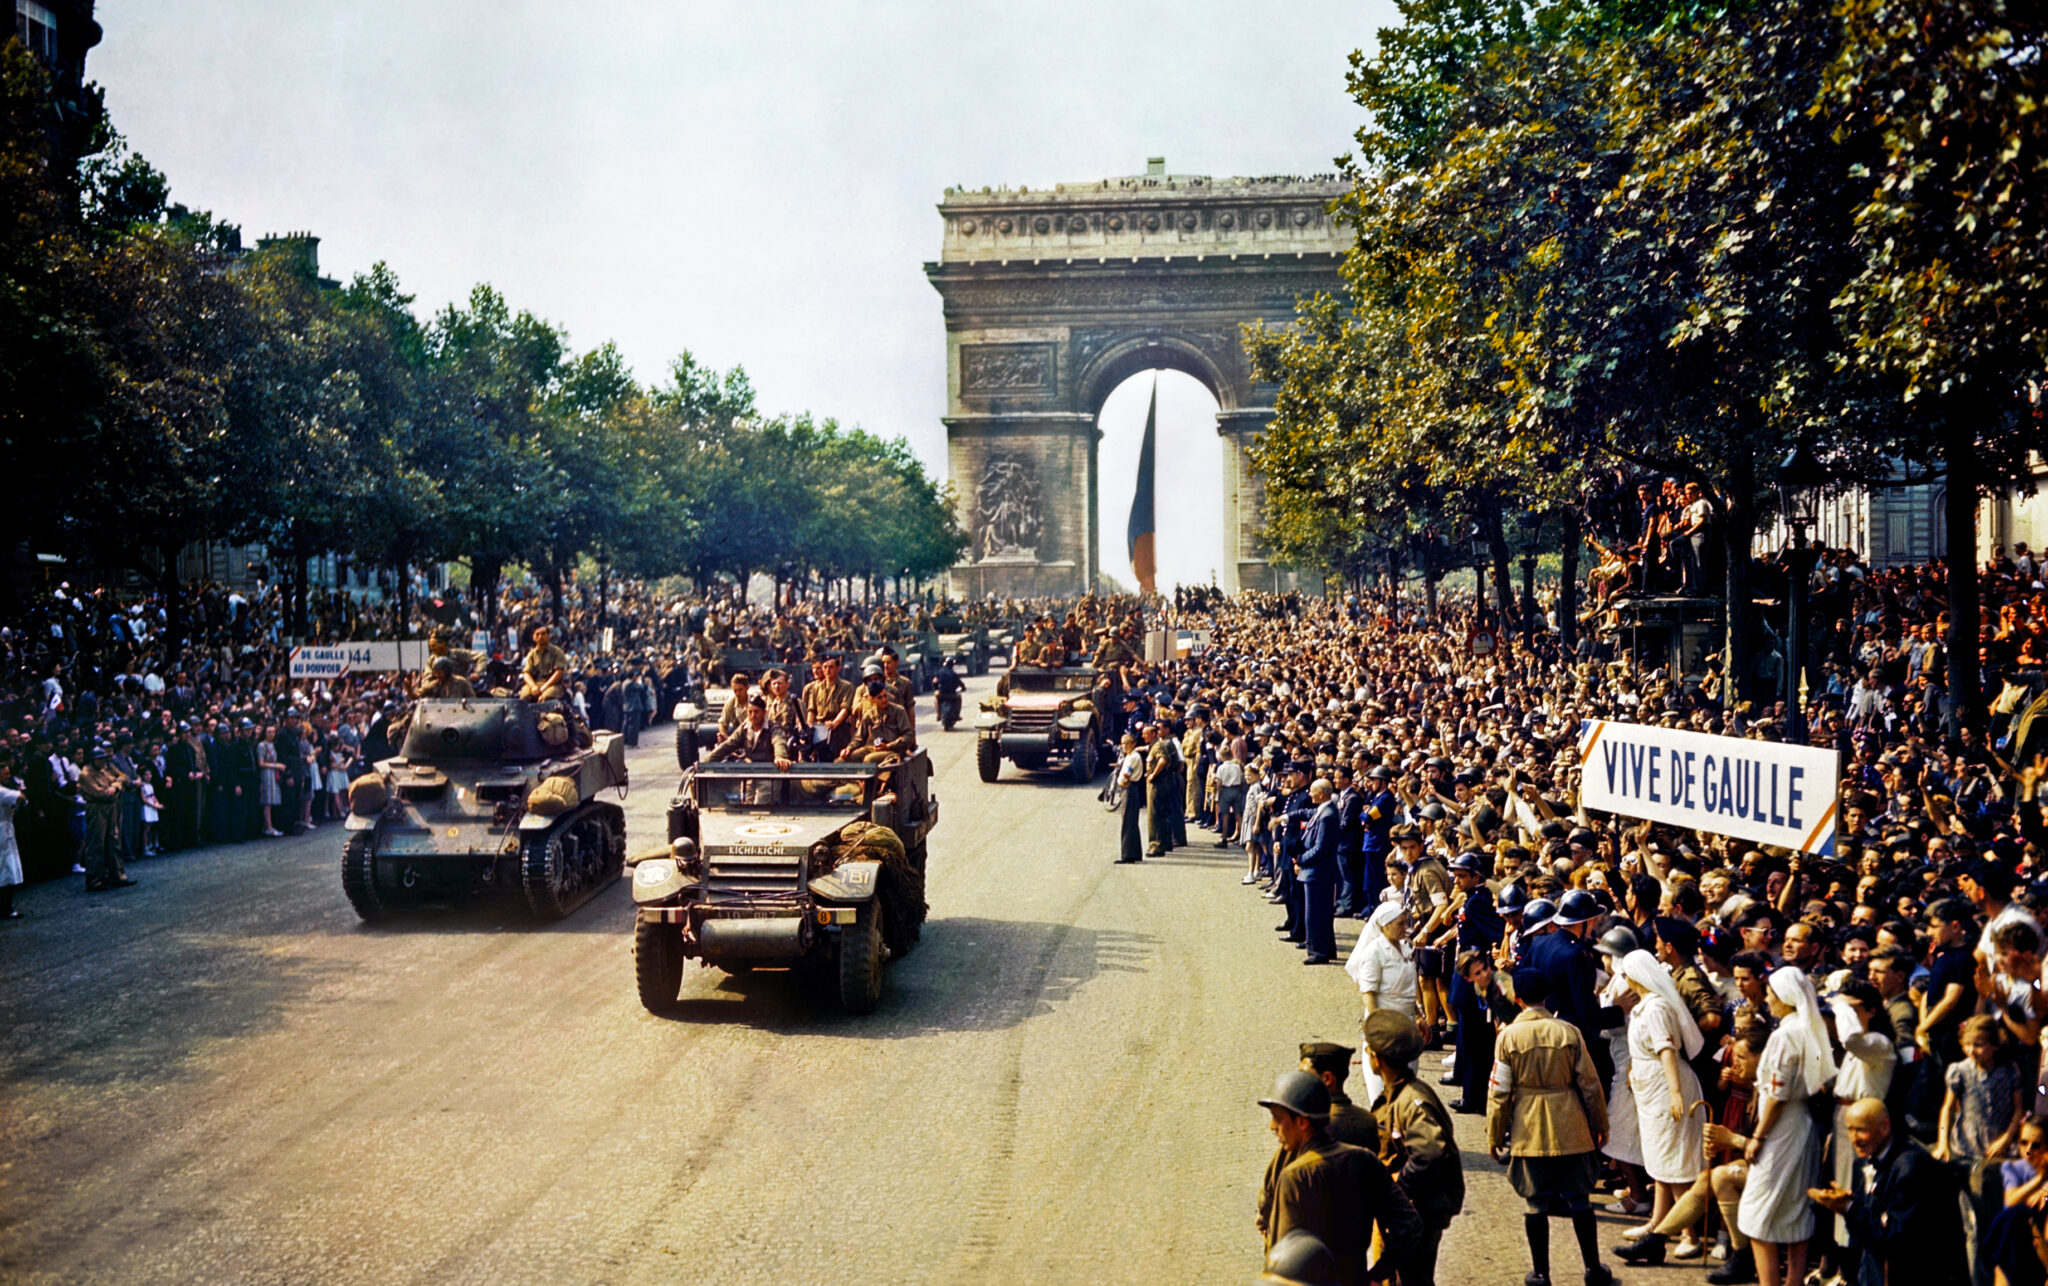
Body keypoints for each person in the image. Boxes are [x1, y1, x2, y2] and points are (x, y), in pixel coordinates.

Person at [1489, 968, 1615, 1286]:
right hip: (1571, 1124)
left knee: (1535, 1202)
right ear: (1547, 997)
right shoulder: (1568, 1033)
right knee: (1580, 1198)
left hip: (1529, 1127)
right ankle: (1593, 1270)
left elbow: (1499, 1093)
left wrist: (1495, 1133)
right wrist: (1600, 1123)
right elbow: (1590, 1085)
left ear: (1517, 999)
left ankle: (1541, 1273)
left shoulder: (1507, 1038)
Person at [1255, 1070, 1419, 1286]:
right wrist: (1378, 1274)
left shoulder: (1295, 1177)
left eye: (1278, 1118)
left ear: (1302, 1122)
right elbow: (1410, 1225)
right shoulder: (1365, 1159)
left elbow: (1282, 1258)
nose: (1272, 1127)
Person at [1738, 967, 1834, 1286]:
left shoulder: (1785, 1035)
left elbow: (1778, 1095)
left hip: (1782, 1130)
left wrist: (1758, 1136)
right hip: (1800, 1127)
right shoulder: (1805, 1029)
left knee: (1757, 1215)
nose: (1767, 1000)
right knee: (1794, 1213)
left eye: (1770, 994)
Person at [1612, 949, 1708, 1266]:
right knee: (1659, 1160)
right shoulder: (1643, 1007)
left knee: (1674, 1161)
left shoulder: (1656, 1008)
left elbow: (1666, 1050)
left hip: (1666, 1088)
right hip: (1650, 1090)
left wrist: (1676, 1093)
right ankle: (1658, 1223)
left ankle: (1689, 1234)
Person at [1808, 1098, 1967, 1286]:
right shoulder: (1863, 1162)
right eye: (1850, 1129)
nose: (1854, 1138)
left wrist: (1849, 1208)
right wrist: (1848, 1204)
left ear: (1884, 1128)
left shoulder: (1910, 1166)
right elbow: (1864, 1233)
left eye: (1861, 1130)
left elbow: (1895, 1237)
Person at [1363, 1009, 1463, 1286]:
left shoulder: (1411, 1101)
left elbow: (1430, 1152)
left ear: (1378, 1059)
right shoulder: (1399, 1093)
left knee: (1413, 1279)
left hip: (1420, 1211)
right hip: (1414, 1209)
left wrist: (1397, 1190)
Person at [1940, 1013, 2026, 1285]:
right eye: (1967, 1044)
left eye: (1978, 1044)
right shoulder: (1960, 1070)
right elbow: (1947, 1109)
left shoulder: (2009, 1070)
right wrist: (1943, 1143)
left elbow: (2018, 1110)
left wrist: (2006, 1139)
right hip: (1967, 1153)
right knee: (1972, 1224)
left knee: (1997, 1221)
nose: (1972, 1050)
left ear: (1993, 1046)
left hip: (1997, 1156)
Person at [1347, 902, 1417, 1106]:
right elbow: (1368, 992)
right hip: (1385, 1026)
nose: (1405, 928)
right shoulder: (1374, 952)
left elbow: (1410, 989)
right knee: (1383, 1095)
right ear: (1385, 926)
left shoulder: (1405, 948)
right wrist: (1377, 1027)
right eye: (1400, 924)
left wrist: (1419, 1016)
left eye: (1405, 922)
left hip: (1407, 1026)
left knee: (1407, 1090)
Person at [1300, 1041, 1380, 1151]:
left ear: (1327, 1079)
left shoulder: (1311, 1125)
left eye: (1304, 1076)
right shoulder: (1368, 1120)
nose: (1298, 1081)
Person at [77, 745, 135, 892]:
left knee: (114, 841)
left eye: (104, 759)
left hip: (112, 807)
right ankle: (95, 879)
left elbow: (124, 777)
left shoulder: (106, 769)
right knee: (96, 843)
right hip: (97, 808)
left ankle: (117, 875)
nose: (103, 762)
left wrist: (115, 786)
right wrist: (116, 788)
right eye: (100, 759)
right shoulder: (86, 774)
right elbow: (101, 793)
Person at [1297, 779, 1341, 965]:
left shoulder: (1328, 815)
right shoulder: (1323, 810)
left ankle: (1318, 950)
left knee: (1315, 914)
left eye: (1313, 791)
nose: (1310, 794)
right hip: (1317, 870)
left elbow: (1321, 848)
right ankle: (1326, 948)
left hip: (1319, 871)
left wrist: (1301, 859)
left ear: (1321, 794)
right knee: (1321, 912)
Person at [1114, 732, 1145, 864]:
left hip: (1129, 788)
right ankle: (1135, 852)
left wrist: (1121, 782)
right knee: (1131, 821)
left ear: (1133, 744)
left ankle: (1128, 854)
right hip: (1130, 788)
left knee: (1128, 821)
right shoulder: (1129, 756)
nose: (1124, 746)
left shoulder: (1133, 757)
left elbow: (1126, 774)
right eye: (1123, 744)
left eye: (1127, 743)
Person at [519, 625, 571, 701]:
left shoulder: (557, 652)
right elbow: (526, 673)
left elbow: (559, 673)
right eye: (537, 634)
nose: (540, 637)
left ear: (548, 636)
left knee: (545, 697)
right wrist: (533, 686)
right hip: (535, 683)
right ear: (533, 637)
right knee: (524, 695)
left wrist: (544, 687)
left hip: (553, 685)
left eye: (543, 634)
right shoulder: (531, 654)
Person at [0, 752, 23, 919]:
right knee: (7, 869)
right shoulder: (2, 791)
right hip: (3, 832)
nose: (7, 774)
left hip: (6, 828)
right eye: (4, 771)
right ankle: (6, 908)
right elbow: (21, 796)